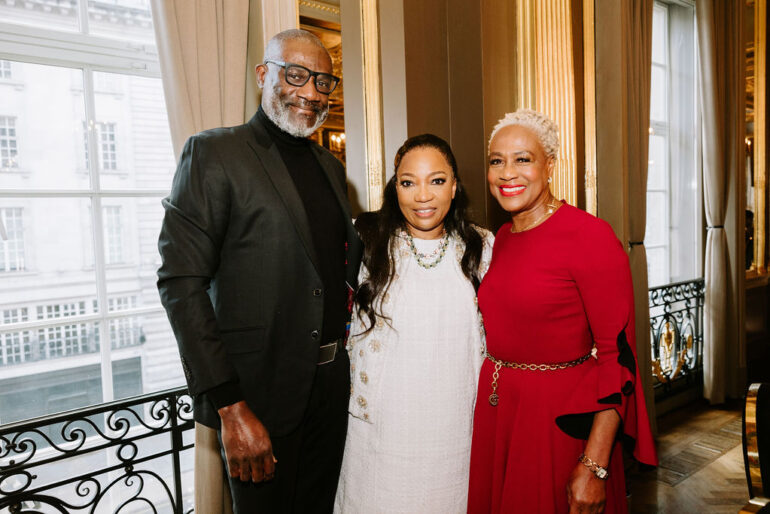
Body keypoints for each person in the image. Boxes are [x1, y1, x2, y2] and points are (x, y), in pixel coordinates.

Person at [157, 29, 362, 513]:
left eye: (323, 82)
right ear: (262, 74)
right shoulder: (214, 154)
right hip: (258, 398)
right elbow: (180, 284)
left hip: (331, 392)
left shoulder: (332, 169)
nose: (310, 92)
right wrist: (230, 407)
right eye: (295, 75)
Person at [467, 109, 658, 514]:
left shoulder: (589, 236)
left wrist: (594, 465)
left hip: (556, 423)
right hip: (501, 413)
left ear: (549, 165)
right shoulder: (502, 236)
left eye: (523, 159)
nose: (507, 172)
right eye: (496, 161)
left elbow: (617, 359)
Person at [334, 134, 494, 513]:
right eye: (408, 182)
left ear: (454, 187)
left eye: (436, 180)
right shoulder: (366, 240)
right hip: (380, 437)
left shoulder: (482, 247)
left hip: (455, 433)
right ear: (395, 187)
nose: (423, 195)